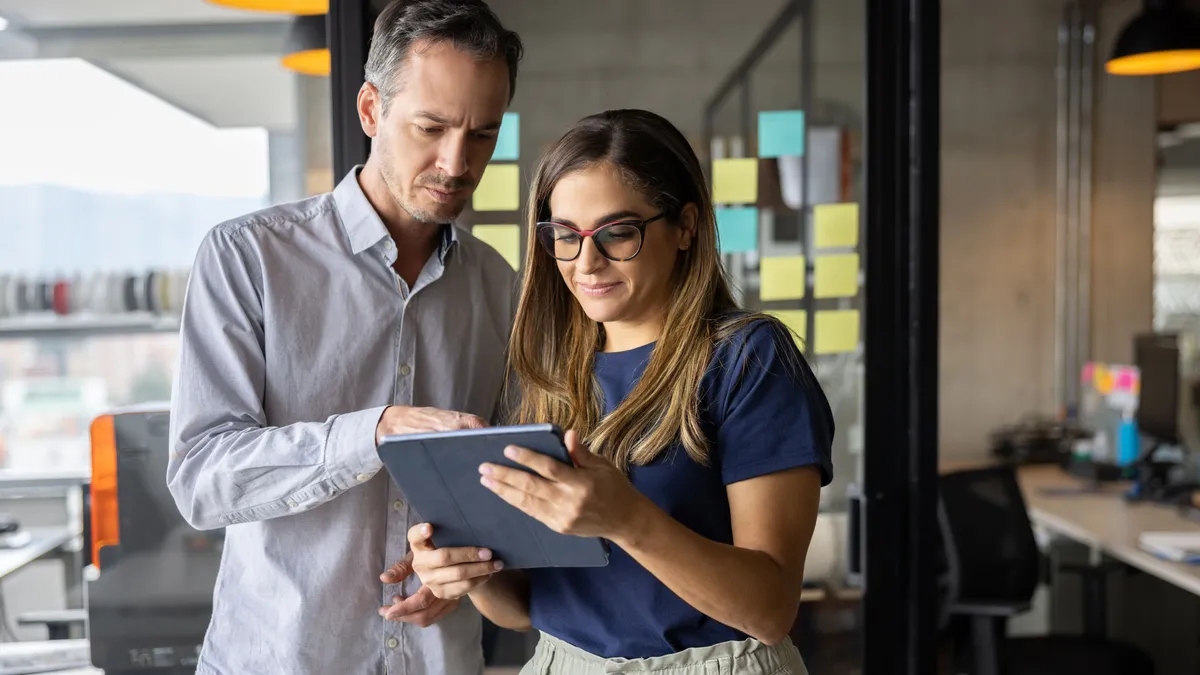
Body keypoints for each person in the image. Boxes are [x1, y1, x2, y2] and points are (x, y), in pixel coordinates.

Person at [405, 108, 835, 675]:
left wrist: (627, 519)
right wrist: (472, 574)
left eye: (618, 233)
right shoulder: (549, 370)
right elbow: (532, 609)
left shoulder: (748, 358)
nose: (586, 262)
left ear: (686, 226)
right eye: (565, 235)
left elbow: (770, 609)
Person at [165, 1, 523, 673]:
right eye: (432, 126)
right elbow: (201, 479)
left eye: (482, 133)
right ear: (370, 110)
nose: (457, 160)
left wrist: (471, 565)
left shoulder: (499, 286)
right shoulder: (247, 259)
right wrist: (375, 431)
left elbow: (504, 485)